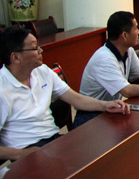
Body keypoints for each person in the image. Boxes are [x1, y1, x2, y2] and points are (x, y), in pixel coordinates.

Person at [0, 28, 130, 162]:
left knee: (103, 152)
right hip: (27, 152)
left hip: (53, 141)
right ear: (16, 57)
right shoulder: (2, 88)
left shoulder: (42, 71)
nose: (41, 50)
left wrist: (106, 105)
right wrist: (21, 154)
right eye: (34, 47)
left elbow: (76, 99)